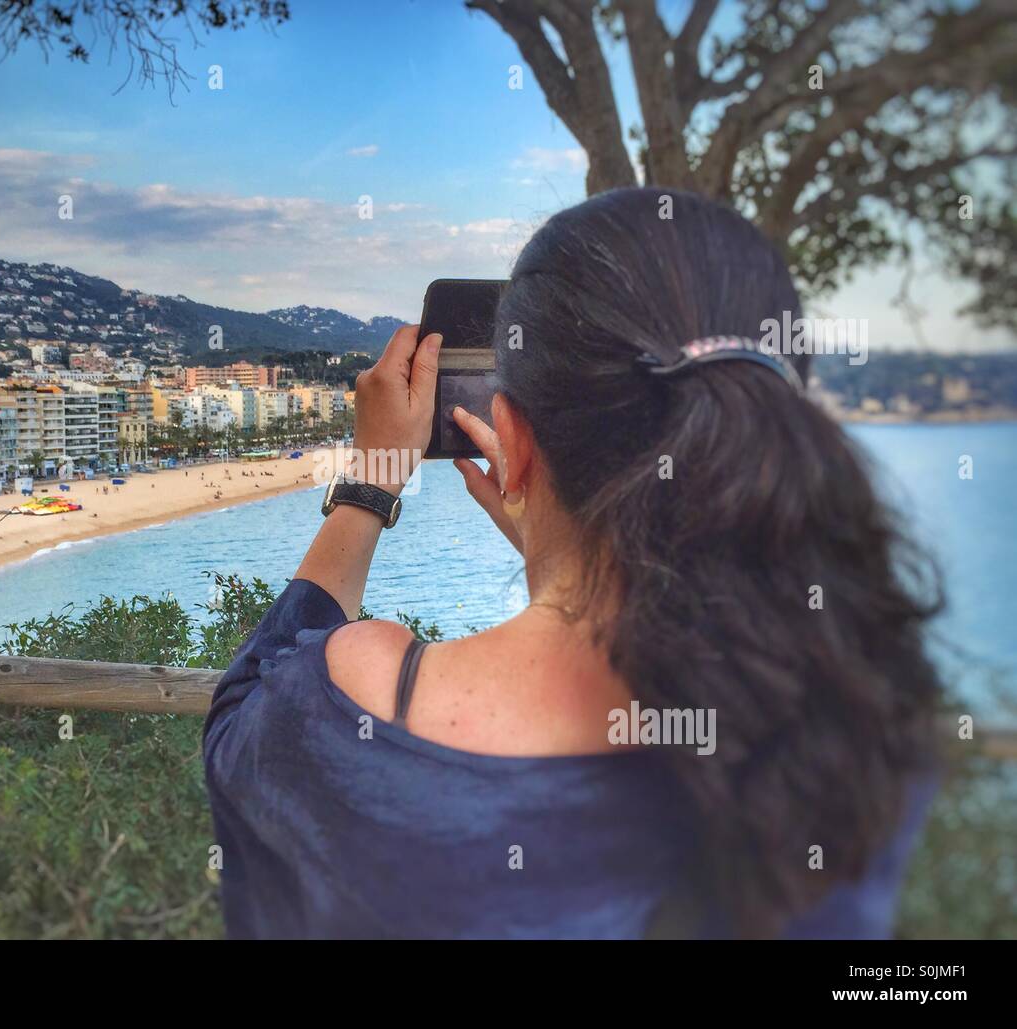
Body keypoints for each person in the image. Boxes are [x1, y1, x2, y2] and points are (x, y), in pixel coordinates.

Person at [203, 188, 942, 940]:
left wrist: (373, 480)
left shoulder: (358, 709)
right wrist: (563, 548)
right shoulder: (856, 719)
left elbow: (238, 717)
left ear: (513, 439)